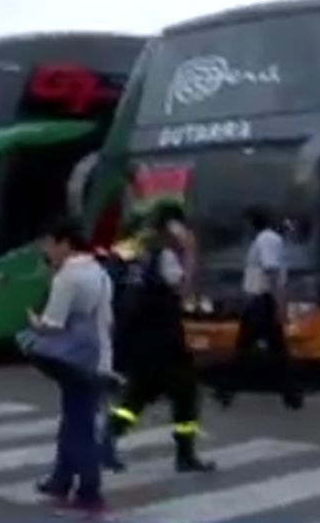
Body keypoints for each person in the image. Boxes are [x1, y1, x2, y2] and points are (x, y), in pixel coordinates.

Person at [101, 203, 216, 473]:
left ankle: (105, 443)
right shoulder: (165, 254)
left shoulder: (133, 248)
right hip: (163, 337)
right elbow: (183, 290)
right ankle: (185, 455)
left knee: (136, 396)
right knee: (185, 395)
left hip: (136, 335)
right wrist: (190, 253)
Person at [30, 217, 113, 516]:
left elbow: (53, 323)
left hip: (72, 358)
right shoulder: (98, 272)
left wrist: (35, 324)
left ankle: (89, 489)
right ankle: (61, 479)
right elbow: (106, 320)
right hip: (94, 355)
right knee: (77, 418)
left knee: (78, 425)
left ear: (65, 244)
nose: (47, 251)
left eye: (50, 245)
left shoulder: (68, 276)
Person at [214, 207, 304, 410]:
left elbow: (271, 272)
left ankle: (226, 391)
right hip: (261, 301)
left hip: (262, 302)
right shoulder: (268, 239)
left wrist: (279, 304)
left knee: (247, 349)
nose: (244, 227)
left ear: (252, 222)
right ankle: (291, 395)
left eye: (246, 222)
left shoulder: (266, 239)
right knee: (274, 351)